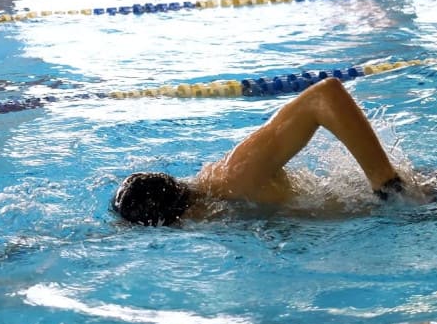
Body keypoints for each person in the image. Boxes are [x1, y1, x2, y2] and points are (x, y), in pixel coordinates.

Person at [112, 77, 411, 226]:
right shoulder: (223, 201)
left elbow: (324, 96)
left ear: (185, 216)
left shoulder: (235, 176)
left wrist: (387, 185)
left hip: (421, 204)